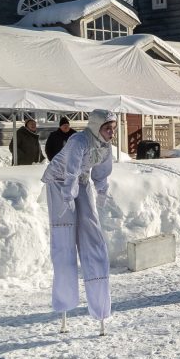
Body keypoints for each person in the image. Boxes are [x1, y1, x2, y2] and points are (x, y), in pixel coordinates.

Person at [41, 110, 116, 336]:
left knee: (92, 237)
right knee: (65, 239)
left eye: (113, 127)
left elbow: (100, 174)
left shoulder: (105, 146)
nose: (111, 132)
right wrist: (67, 195)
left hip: (79, 181)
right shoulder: (79, 140)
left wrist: (101, 192)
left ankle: (100, 307)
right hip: (58, 182)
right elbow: (70, 170)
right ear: (96, 126)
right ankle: (65, 303)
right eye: (107, 127)